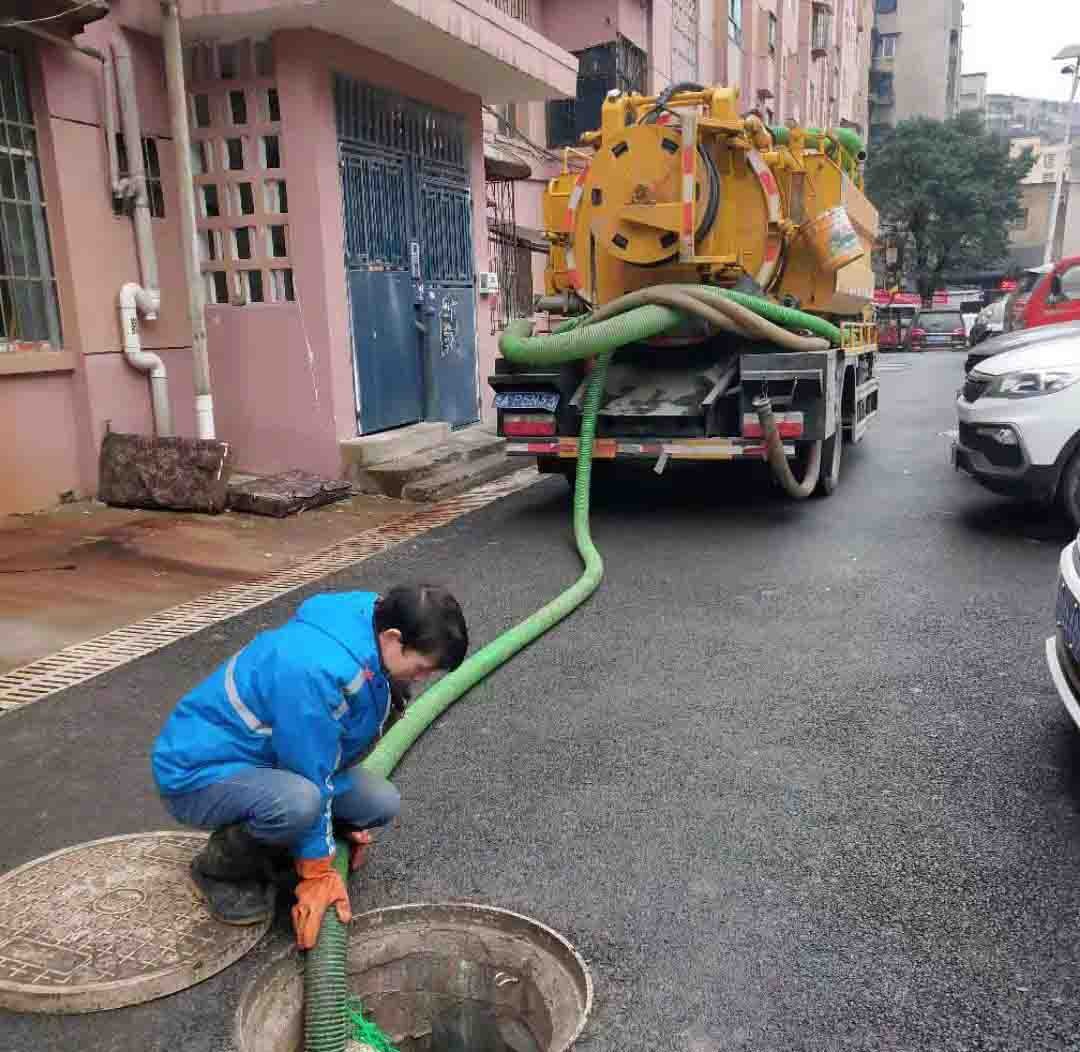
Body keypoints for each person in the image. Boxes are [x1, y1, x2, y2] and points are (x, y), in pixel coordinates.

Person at [151, 585, 467, 949]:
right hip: (199, 773)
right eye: (423, 667)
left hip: (269, 762)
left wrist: (327, 835)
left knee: (379, 802)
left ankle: (285, 844)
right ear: (394, 638)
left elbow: (323, 756)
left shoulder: (373, 620)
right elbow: (309, 773)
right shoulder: (314, 671)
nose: (422, 678)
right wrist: (318, 872)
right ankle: (220, 870)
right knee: (299, 802)